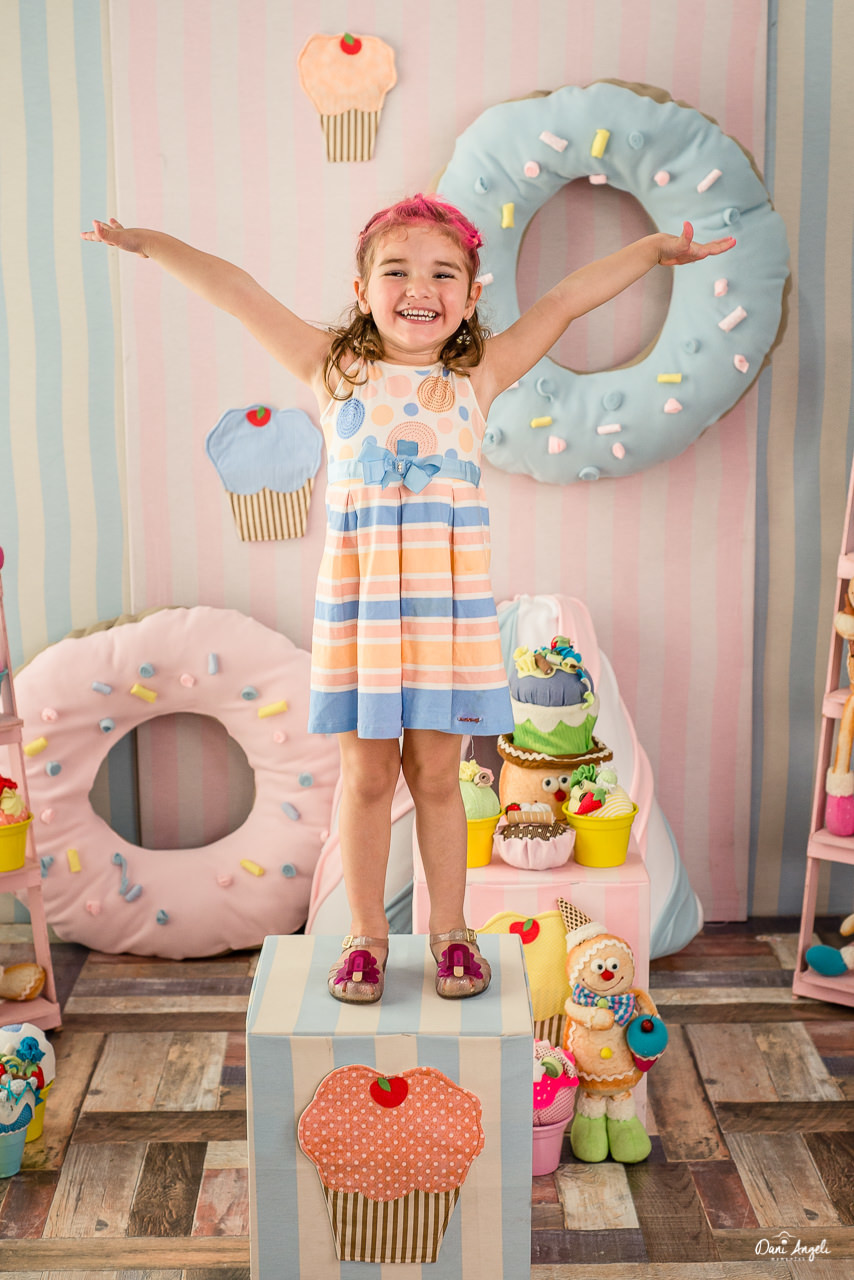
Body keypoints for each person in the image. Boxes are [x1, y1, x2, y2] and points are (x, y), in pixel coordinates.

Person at [83, 195, 734, 1004]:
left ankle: (451, 933)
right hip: (361, 617)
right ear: (361, 291)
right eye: (396, 271)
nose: (419, 287)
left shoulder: (477, 375)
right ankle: (365, 938)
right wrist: (149, 242)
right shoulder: (334, 370)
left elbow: (565, 300)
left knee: (437, 777)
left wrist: (651, 252)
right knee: (364, 780)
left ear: (470, 294)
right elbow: (238, 290)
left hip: (446, 617)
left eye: (442, 273)